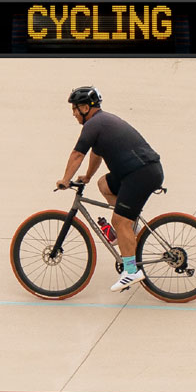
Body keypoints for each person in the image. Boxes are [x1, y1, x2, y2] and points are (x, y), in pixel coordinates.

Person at [56, 86, 164, 291]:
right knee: (103, 184)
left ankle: (131, 270)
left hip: (141, 174)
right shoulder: (101, 123)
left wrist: (65, 179)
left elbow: (78, 154)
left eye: (75, 109)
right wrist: (87, 176)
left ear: (86, 107)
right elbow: (96, 154)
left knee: (119, 221)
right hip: (140, 171)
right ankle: (131, 229)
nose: (73, 114)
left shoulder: (93, 125)